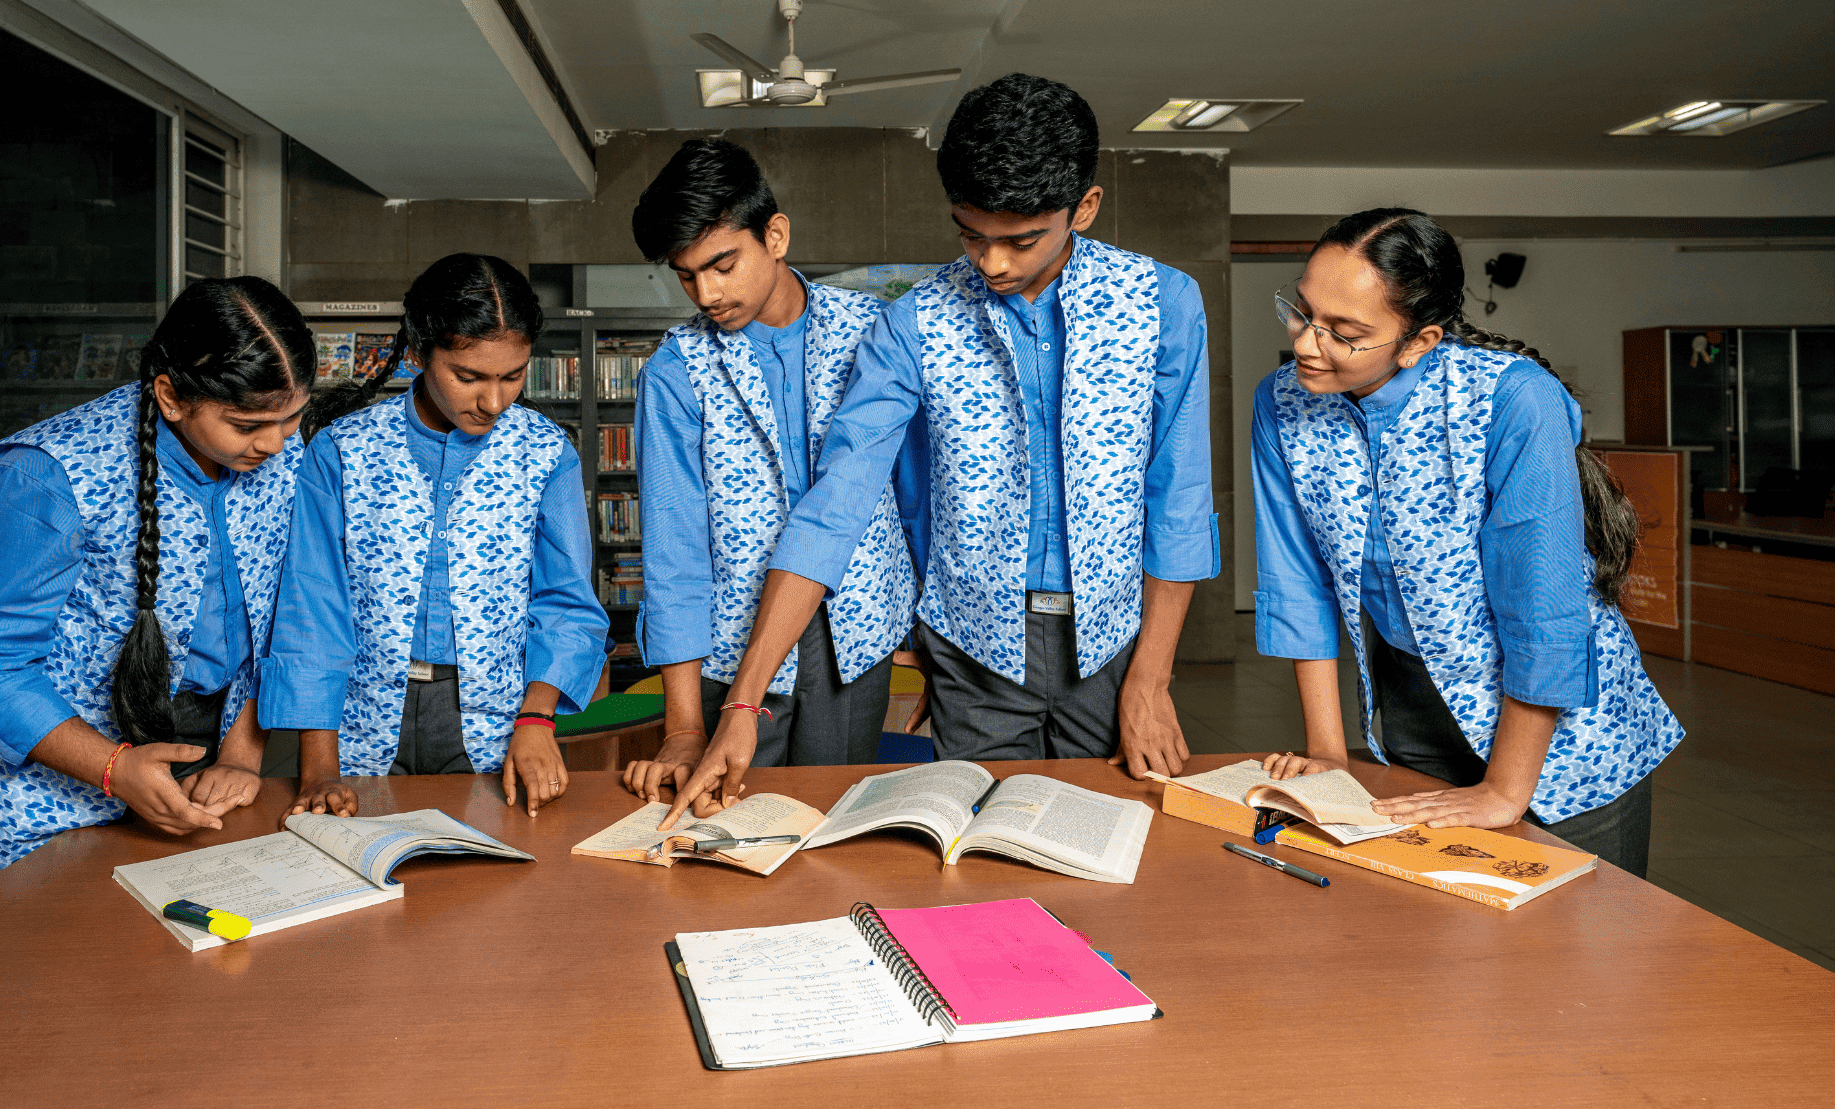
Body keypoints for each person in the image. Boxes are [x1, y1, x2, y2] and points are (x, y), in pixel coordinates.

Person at [661, 73, 1219, 825]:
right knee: (985, 853)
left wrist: (1151, 677)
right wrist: (743, 698)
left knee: (1111, 838)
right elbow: (839, 502)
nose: (990, 263)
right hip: (973, 648)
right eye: (969, 233)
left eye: (1020, 239)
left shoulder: (1164, 303)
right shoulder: (911, 325)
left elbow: (1177, 499)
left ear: (1082, 208)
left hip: (1117, 644)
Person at [1251, 208, 1683, 876]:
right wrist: (1330, 754)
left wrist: (1508, 789)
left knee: (1583, 958)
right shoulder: (1281, 402)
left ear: (1419, 340)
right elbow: (1297, 583)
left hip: (1558, 730)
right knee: (1439, 944)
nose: (1306, 343)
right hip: (1415, 715)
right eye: (1302, 311)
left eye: (1345, 333)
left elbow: (1540, 608)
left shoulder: (1511, 400)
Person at [0, 277, 316, 875]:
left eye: (292, 417)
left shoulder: (276, 449)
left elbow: (269, 618)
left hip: (201, 751)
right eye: (246, 425)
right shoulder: (45, 475)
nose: (274, 443)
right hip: (55, 778)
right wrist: (114, 769)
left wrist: (240, 758)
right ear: (170, 396)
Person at [619, 138, 920, 805]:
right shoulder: (675, 373)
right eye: (687, 274)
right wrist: (684, 725)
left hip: (858, 638)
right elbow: (675, 555)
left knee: (831, 826)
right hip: (731, 648)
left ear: (775, 235)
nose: (707, 292)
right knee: (727, 832)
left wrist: (922, 631)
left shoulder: (877, 331)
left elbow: (916, 499)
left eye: (723, 263)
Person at [261, 253, 607, 818]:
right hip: (361, 713)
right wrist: (320, 768)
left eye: (512, 376)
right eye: (468, 377)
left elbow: (566, 604)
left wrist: (538, 718)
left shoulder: (546, 454)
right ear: (419, 351)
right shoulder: (341, 452)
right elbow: (313, 609)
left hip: (500, 715)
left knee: (491, 883)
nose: (493, 402)